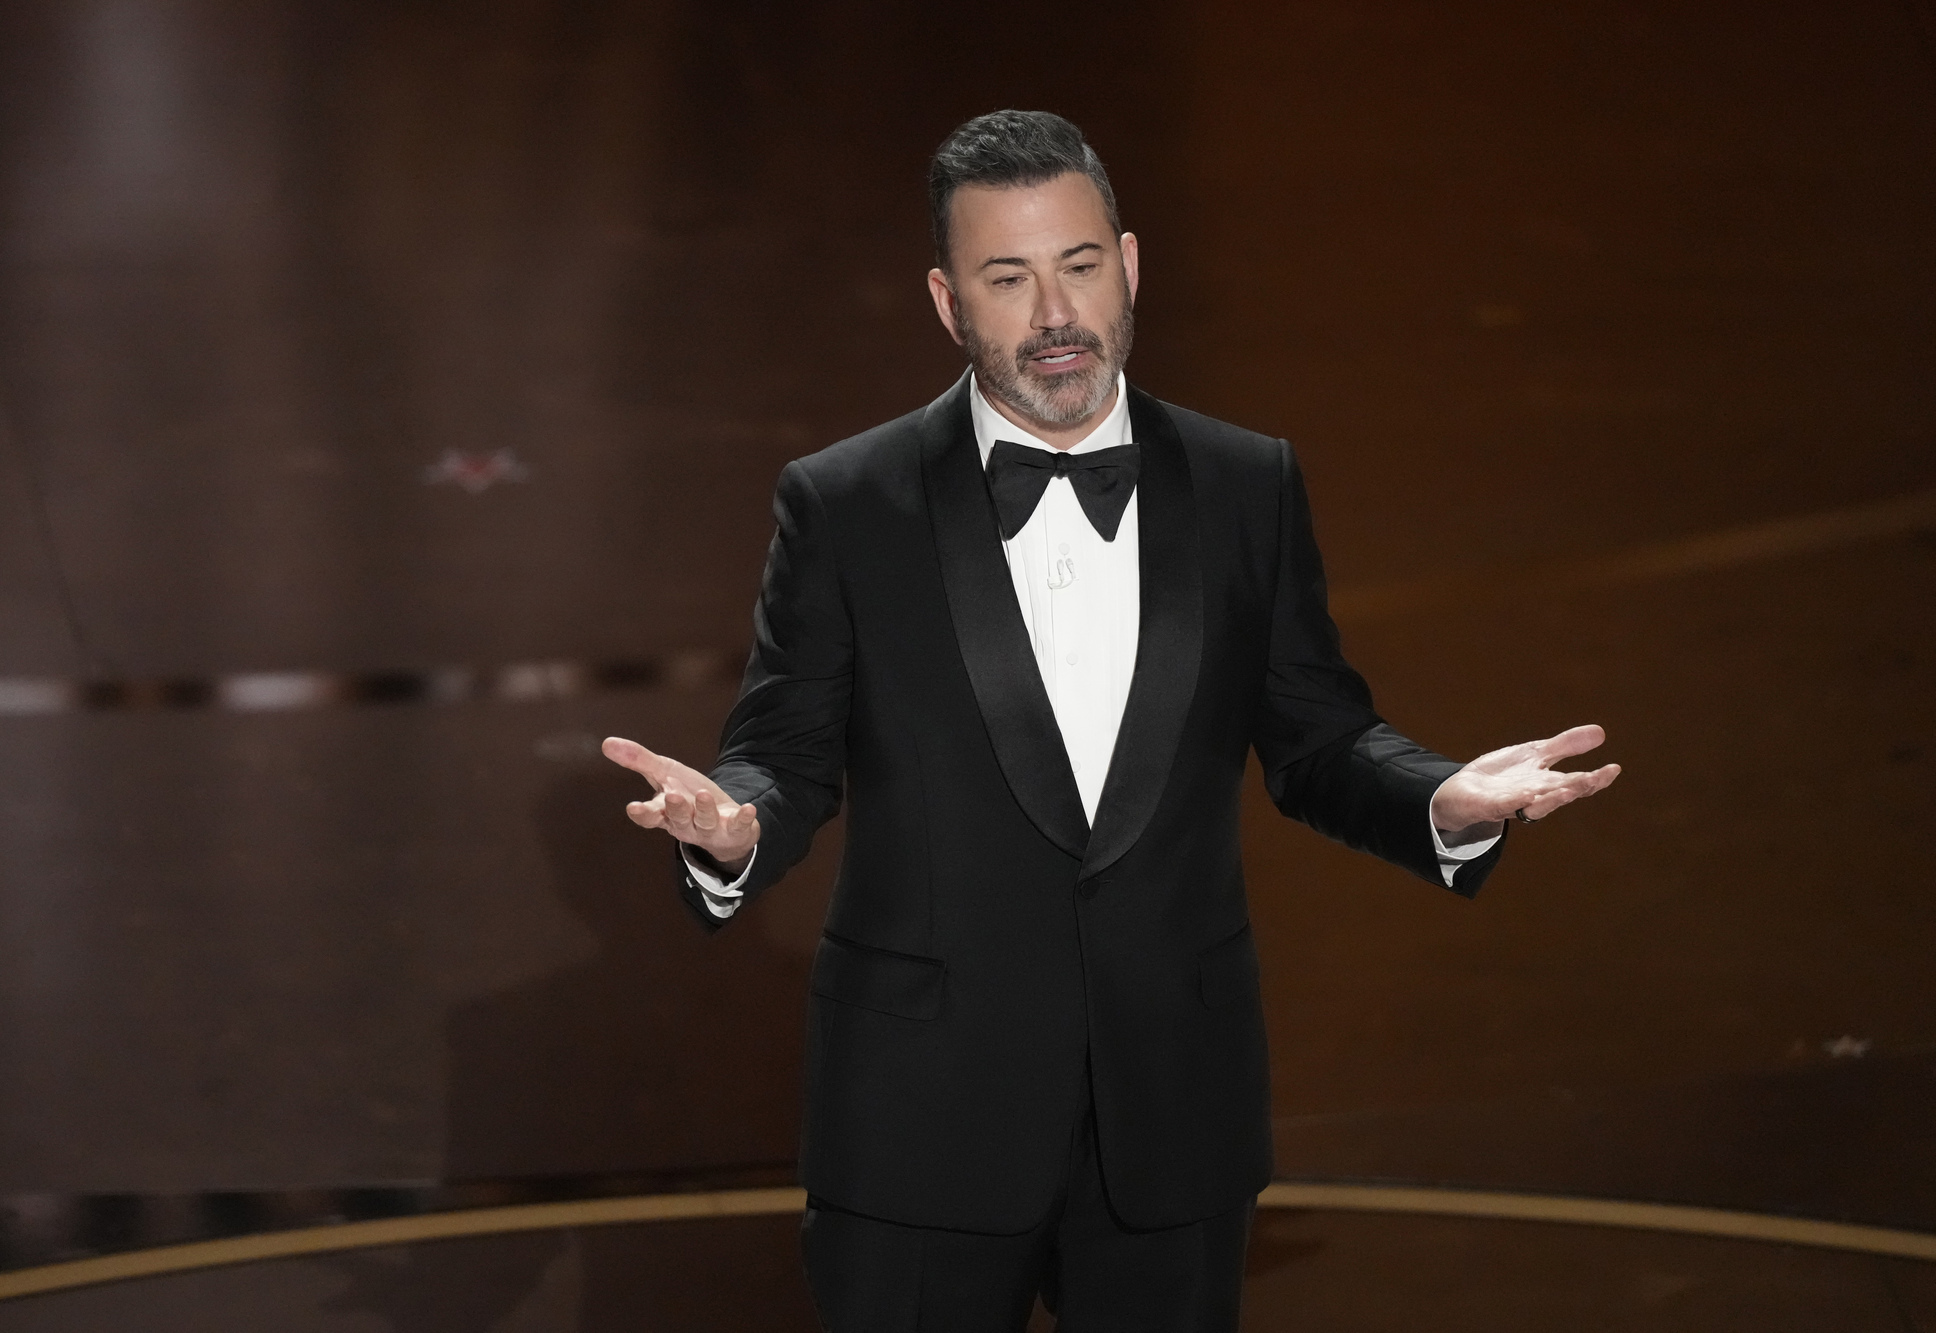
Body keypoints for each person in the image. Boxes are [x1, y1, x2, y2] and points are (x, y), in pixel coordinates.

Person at [603, 110, 1618, 1332]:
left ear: (1128, 265)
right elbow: (783, 753)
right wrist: (735, 826)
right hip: (920, 1119)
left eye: (1078, 265)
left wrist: (1436, 797)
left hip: (1173, 1111)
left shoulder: (1248, 483)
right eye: (1006, 278)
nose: (1053, 314)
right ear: (946, 302)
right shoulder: (846, 502)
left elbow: (1315, 735)